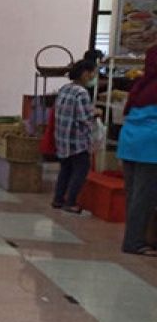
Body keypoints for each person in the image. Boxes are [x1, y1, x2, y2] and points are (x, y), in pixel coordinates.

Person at [118, 45, 157, 257]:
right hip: (150, 147)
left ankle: (133, 238)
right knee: (144, 198)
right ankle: (134, 242)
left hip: (130, 143)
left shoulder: (141, 85)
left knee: (134, 196)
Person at [51, 59, 98, 214]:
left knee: (65, 169)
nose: (93, 76)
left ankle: (58, 199)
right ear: (85, 73)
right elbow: (84, 118)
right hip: (78, 140)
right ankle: (70, 202)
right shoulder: (82, 93)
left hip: (63, 138)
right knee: (80, 170)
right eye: (93, 72)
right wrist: (95, 114)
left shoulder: (65, 89)